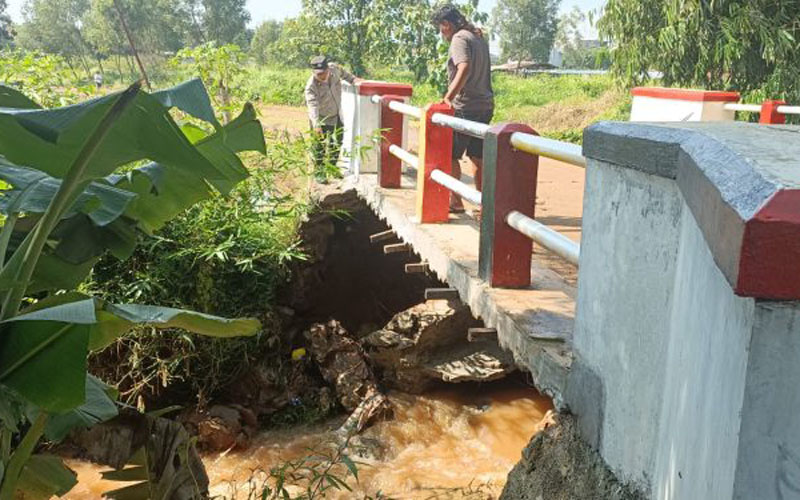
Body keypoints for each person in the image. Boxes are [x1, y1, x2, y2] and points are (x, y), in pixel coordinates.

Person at [432, 4, 494, 214]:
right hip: (485, 105)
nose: (442, 34)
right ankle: (483, 203)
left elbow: (464, 67)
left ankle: (456, 200)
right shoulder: (477, 36)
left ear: (447, 24)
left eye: (441, 29)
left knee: (451, 155)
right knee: (478, 157)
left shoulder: (459, 39)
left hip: (464, 106)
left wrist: (447, 97)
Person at [304, 55, 357, 182]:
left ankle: (332, 168)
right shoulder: (311, 86)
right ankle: (320, 173)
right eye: (318, 74)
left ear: (327, 69)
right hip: (321, 119)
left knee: (337, 142)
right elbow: (312, 106)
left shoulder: (335, 69)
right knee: (320, 147)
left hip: (337, 114)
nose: (321, 76)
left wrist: (355, 81)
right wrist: (316, 124)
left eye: (323, 73)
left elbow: (346, 75)